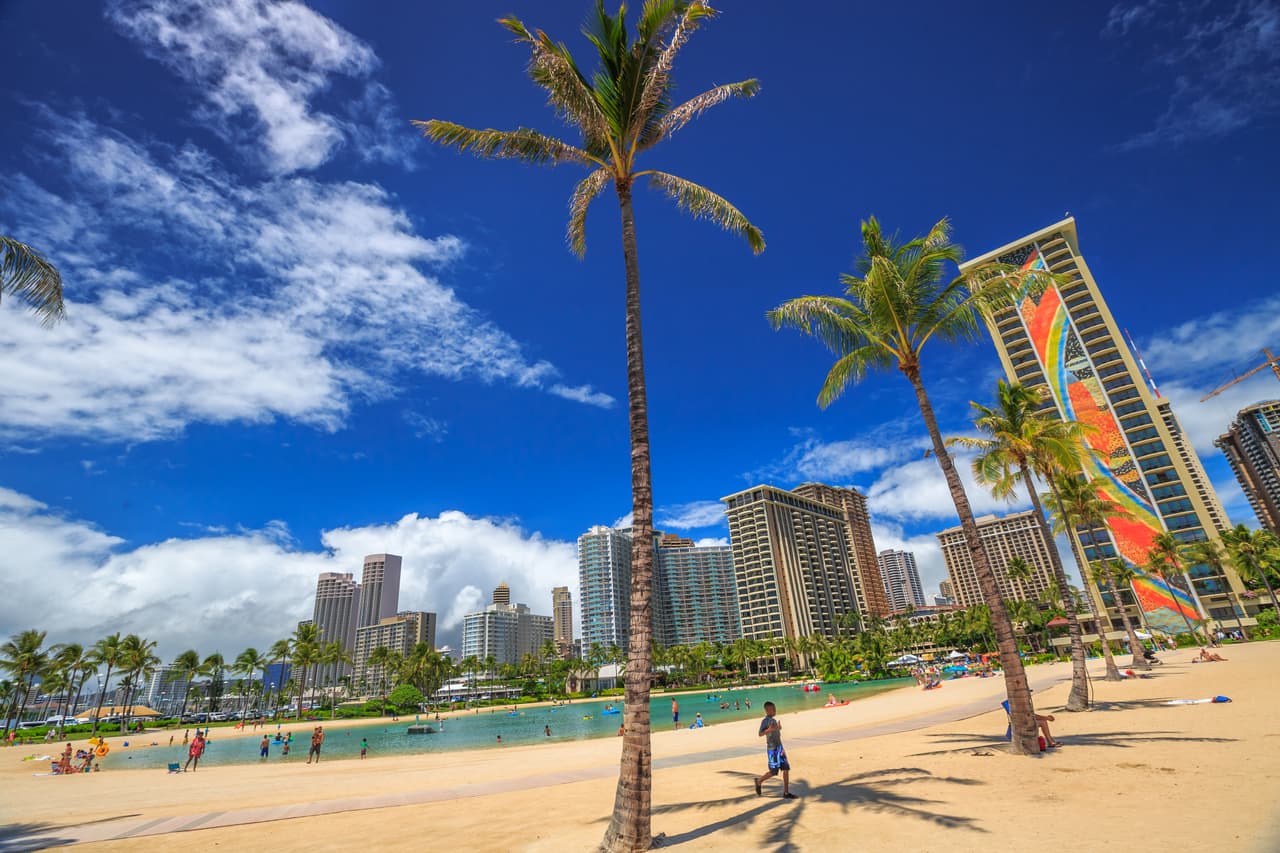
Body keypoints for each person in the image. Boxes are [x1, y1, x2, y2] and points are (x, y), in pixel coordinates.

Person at [754, 702, 795, 799]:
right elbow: (760, 734)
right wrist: (769, 729)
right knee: (773, 772)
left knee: (786, 769)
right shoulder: (765, 721)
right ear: (767, 710)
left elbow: (774, 731)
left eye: (775, 708)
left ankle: (786, 793)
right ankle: (759, 781)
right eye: (773, 709)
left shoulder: (774, 720)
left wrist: (778, 728)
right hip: (772, 750)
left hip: (780, 748)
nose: (775, 710)